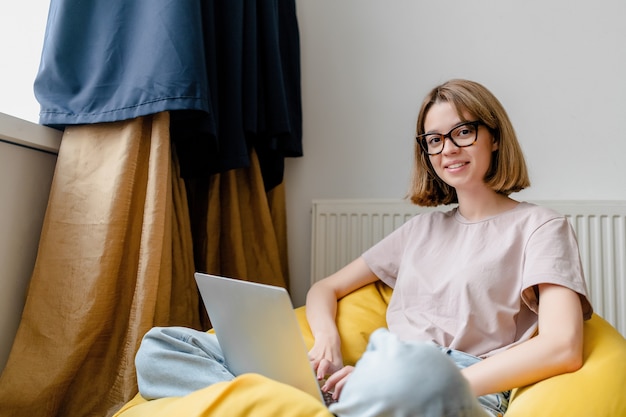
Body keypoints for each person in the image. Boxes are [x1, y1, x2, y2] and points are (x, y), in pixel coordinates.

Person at [134, 79, 593, 417]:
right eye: (434, 140)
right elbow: (324, 289)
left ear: (493, 136)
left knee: (411, 375)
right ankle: (306, 407)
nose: (447, 149)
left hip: (449, 385)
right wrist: (328, 342)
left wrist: (405, 377)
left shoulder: (540, 226)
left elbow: (563, 346)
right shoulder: (421, 233)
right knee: (162, 347)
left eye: (463, 132)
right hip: (373, 376)